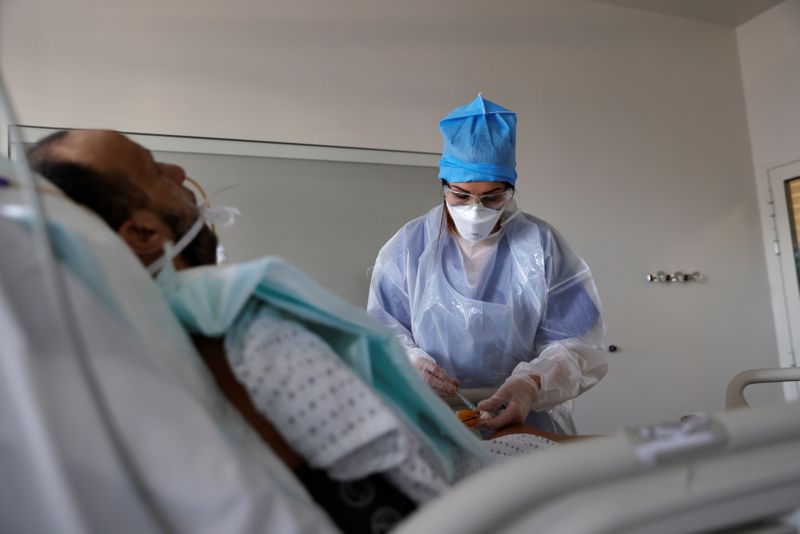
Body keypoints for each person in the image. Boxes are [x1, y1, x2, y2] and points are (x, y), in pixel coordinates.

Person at [25, 129, 496, 533]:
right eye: (151, 169)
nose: (176, 170)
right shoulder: (236, 325)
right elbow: (410, 485)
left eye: (492, 196)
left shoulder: (131, 337)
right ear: (144, 234)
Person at [368, 95, 609, 434]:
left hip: (522, 420)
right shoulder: (410, 247)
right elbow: (382, 334)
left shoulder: (541, 246)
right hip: (428, 420)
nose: (475, 209)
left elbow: (580, 344)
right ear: (443, 187)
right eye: (461, 195)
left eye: (492, 197)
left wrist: (528, 387)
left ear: (510, 190)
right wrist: (411, 364)